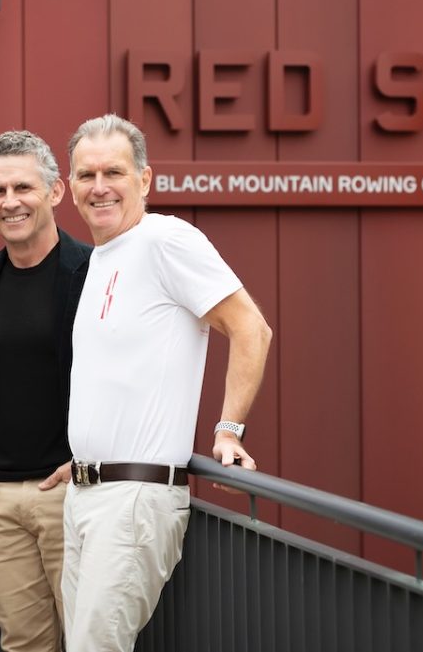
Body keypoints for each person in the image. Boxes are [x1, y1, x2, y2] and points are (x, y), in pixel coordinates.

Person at [61, 114, 273, 652]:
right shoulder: (103, 258)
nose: (99, 187)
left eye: (114, 172)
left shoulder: (166, 239)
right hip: (87, 494)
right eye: (86, 175)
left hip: (133, 500)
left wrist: (228, 431)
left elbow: (251, 328)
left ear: (145, 180)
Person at [0, 131, 91, 652]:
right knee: (23, 642)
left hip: (71, 490)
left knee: (89, 639)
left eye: (23, 187)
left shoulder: (93, 274)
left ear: (55, 192)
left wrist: (87, 460)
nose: (10, 202)